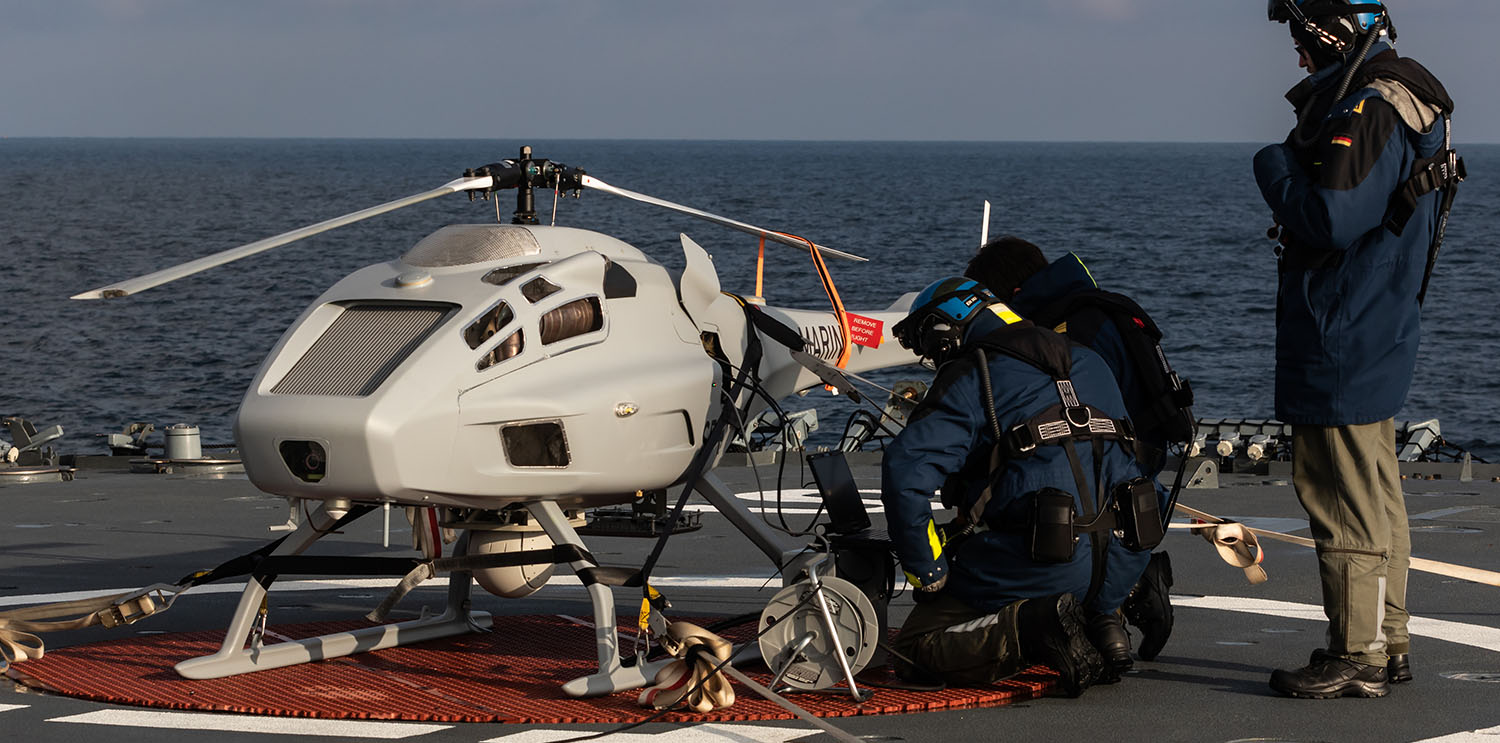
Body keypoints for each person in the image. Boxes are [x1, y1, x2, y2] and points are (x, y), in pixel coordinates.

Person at [1259, 0, 1459, 698]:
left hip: (1340, 330)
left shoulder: (1366, 112)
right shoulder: (1408, 107)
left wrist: (1276, 170)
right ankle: (1390, 638)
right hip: (1377, 324)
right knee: (1377, 492)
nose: (1297, 52)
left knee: (1342, 497)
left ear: (1331, 35)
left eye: (1301, 36)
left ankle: (1358, 652)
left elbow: (1331, 218)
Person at [882, 277, 1160, 695]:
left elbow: (906, 473)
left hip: (1041, 564)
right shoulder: (1091, 360)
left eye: (925, 342)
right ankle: (1107, 615)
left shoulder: (974, 373)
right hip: (1122, 562)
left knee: (915, 646)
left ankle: (1032, 627)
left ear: (946, 330)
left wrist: (928, 570)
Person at [965, 237, 1191, 670]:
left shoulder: (1063, 329)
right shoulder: (1093, 309)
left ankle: (1129, 591)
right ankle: (1116, 610)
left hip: (1113, 463)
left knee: (1052, 512)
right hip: (1138, 460)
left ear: (1008, 295)